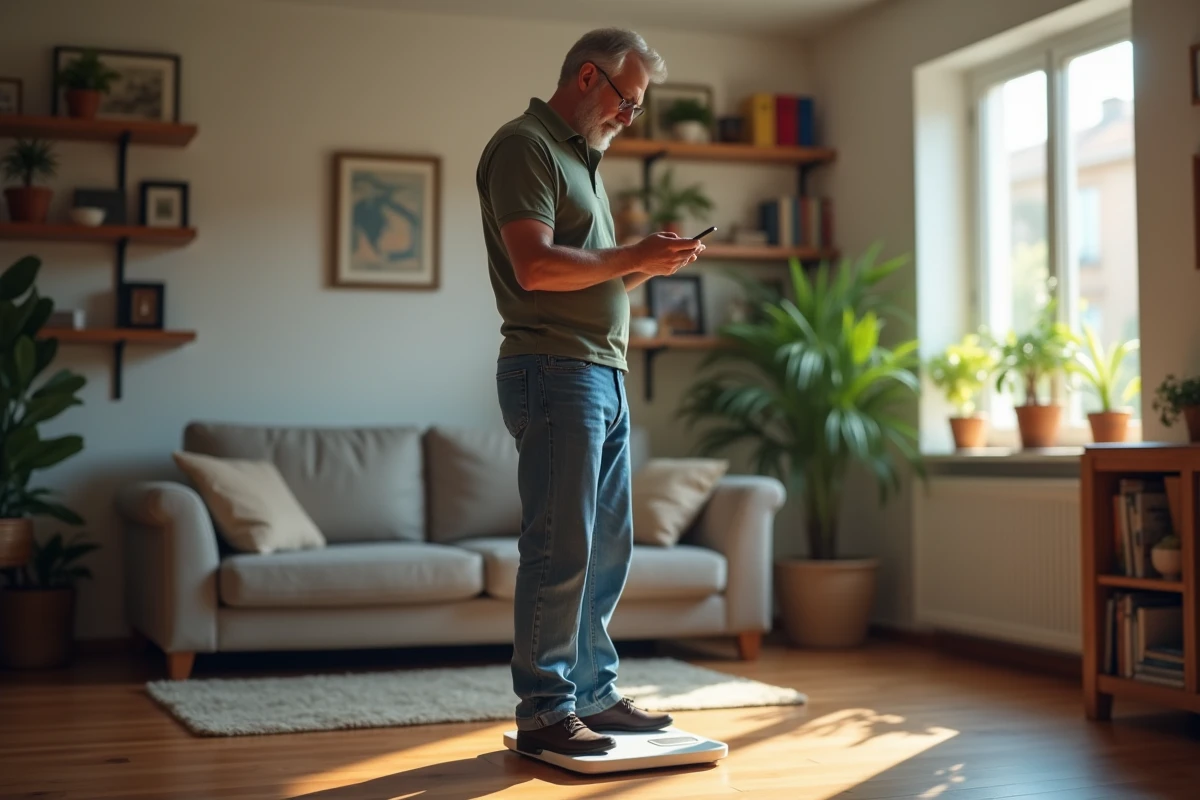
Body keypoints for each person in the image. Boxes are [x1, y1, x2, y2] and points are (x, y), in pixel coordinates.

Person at [475, 28, 705, 757]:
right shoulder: (526, 147)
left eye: (637, 107)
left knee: (606, 547)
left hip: (600, 371)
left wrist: (646, 267)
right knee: (560, 545)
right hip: (555, 369)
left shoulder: (583, 160)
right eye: (626, 101)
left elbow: (589, 277)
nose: (629, 117)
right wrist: (630, 253)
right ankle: (545, 710)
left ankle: (593, 694)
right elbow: (537, 268)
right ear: (586, 77)